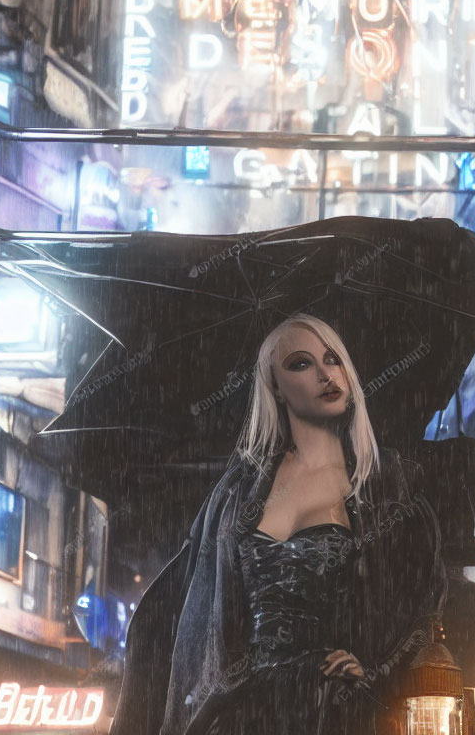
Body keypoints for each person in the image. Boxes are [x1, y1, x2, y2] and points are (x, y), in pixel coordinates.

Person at [109, 312, 447, 735]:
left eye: (332, 359)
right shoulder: (238, 492)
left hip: (333, 708)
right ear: (276, 388)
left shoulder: (384, 484)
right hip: (244, 711)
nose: (326, 374)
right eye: (302, 364)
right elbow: (191, 596)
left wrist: (376, 666)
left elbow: (420, 601)